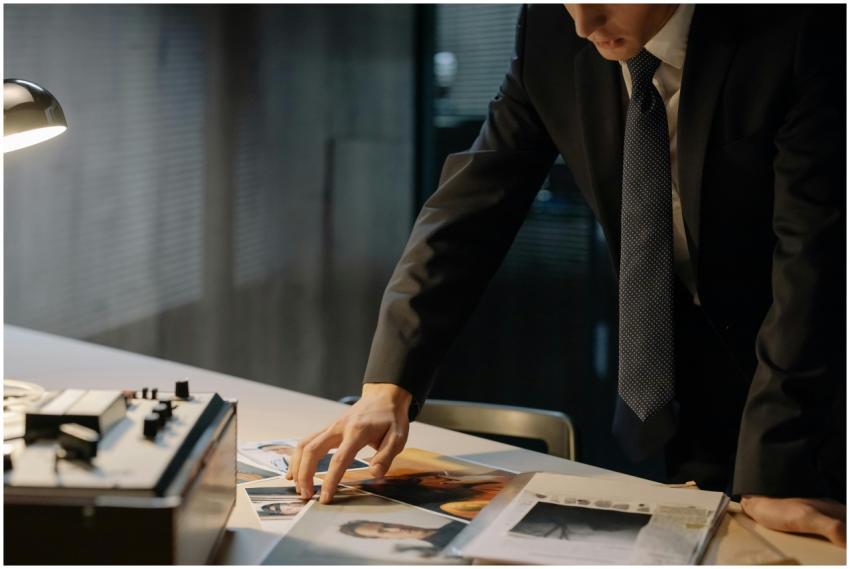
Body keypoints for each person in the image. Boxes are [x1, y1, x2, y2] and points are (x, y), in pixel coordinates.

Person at [287, 4, 846, 546]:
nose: (583, 23)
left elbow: (813, 259)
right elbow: (468, 212)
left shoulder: (794, 28)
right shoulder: (551, 33)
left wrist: (776, 467)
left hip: (817, 385)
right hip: (690, 380)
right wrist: (388, 384)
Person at [338, 519, 465, 557]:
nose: (396, 529)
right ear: (384, 539)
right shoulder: (449, 548)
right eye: (383, 531)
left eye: (387, 524)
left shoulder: (455, 521)